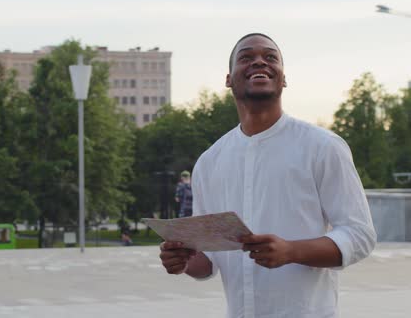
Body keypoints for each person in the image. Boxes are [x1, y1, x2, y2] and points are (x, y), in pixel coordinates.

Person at [159, 33, 376, 318]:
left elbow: (359, 235)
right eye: (246, 57)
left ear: (283, 78)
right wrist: (183, 260)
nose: (259, 61)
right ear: (229, 79)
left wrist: (291, 251)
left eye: (270, 57)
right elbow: (209, 260)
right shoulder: (210, 162)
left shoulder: (322, 147)